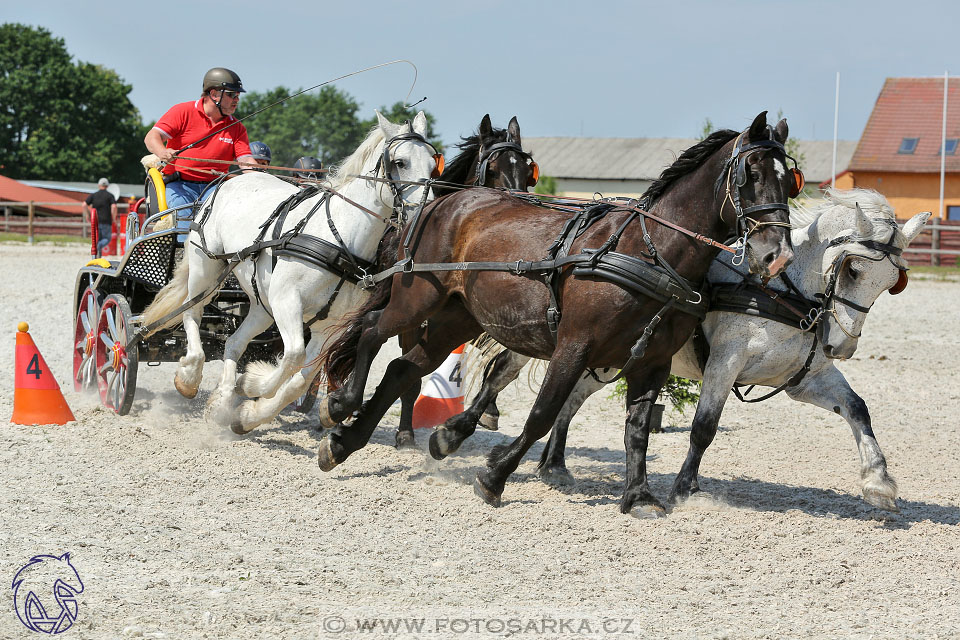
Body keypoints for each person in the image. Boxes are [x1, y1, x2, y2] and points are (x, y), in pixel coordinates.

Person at [143, 67, 256, 236]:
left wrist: (259, 174)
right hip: (179, 184)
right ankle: (183, 258)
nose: (236, 100)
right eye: (232, 95)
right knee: (185, 220)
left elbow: (246, 160)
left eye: (238, 96)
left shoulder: (237, 128)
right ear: (214, 94)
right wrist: (162, 152)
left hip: (214, 186)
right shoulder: (182, 111)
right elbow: (152, 136)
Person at [83, 178, 117, 259]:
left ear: (99, 185)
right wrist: (114, 218)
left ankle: (97, 256)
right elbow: (114, 206)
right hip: (106, 220)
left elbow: (84, 204)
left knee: (97, 238)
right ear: (107, 186)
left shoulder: (94, 195)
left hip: (95, 220)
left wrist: (88, 215)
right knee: (107, 239)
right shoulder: (110, 195)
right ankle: (97, 248)